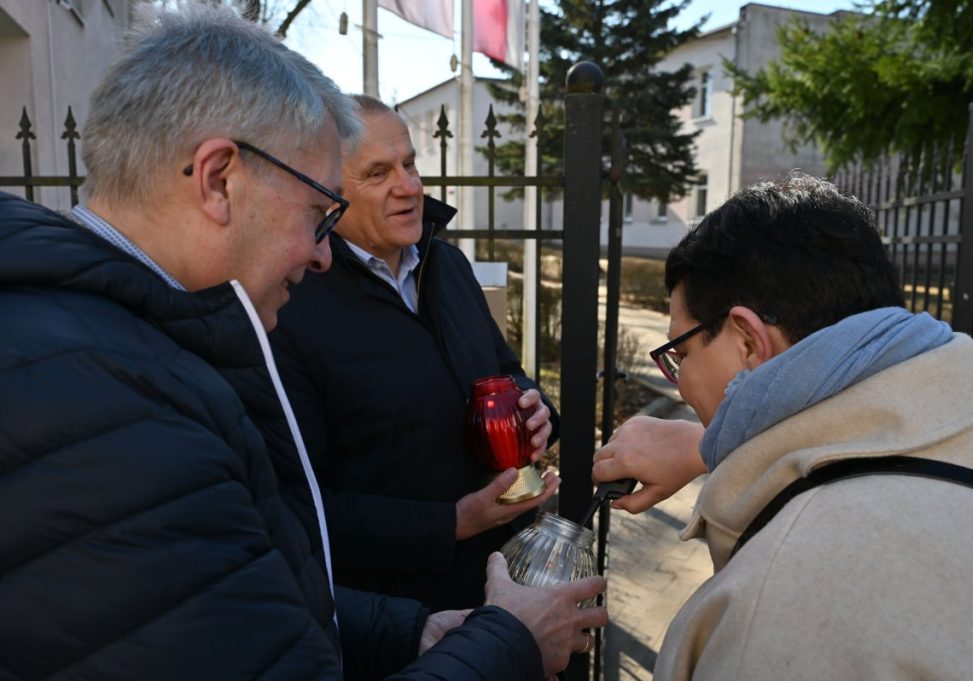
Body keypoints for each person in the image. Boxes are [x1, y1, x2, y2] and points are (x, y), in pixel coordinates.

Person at [0, 5, 606, 680]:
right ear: (219, 180)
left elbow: (251, 606)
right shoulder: (110, 411)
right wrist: (510, 643)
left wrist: (408, 633)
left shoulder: (107, 350)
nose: (322, 255)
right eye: (320, 212)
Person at [592, 172, 973, 680]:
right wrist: (705, 448)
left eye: (680, 353)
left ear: (748, 342)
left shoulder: (772, 608)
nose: (681, 385)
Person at [271, 95, 560, 612]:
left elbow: (506, 372)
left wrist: (535, 413)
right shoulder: (290, 304)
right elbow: (299, 505)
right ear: (328, 190)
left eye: (410, 164)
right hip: (404, 616)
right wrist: (451, 523)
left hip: (505, 580)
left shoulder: (448, 265)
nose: (409, 187)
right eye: (378, 173)